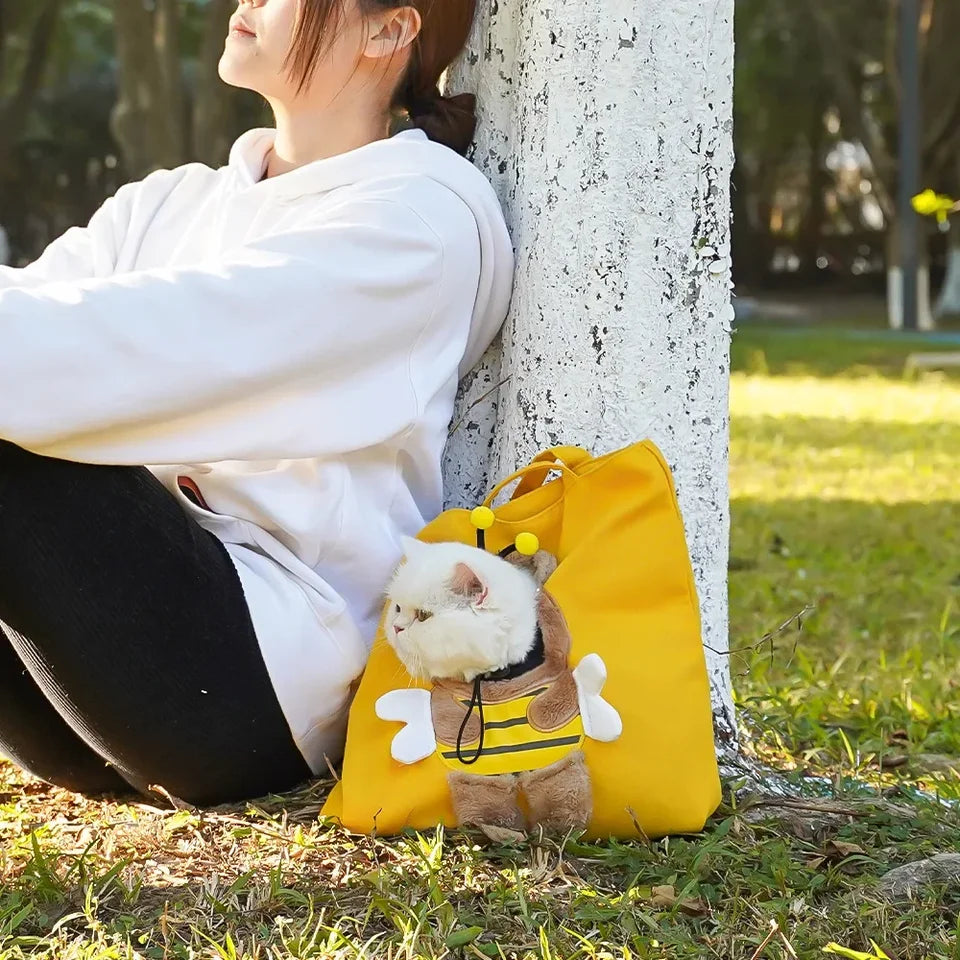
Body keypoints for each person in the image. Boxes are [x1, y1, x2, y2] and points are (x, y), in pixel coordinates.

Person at [0, 0, 514, 805]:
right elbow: (32, 308)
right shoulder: (171, 202)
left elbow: (147, 347)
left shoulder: (417, 221)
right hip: (78, 700)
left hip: (254, 692)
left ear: (388, 31)